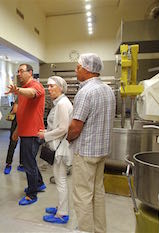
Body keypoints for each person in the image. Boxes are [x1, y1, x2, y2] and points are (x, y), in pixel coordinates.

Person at [67, 53, 115, 232]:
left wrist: (68, 138)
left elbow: (75, 126)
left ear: (87, 70)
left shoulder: (85, 92)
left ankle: (86, 230)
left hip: (86, 153)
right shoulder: (108, 90)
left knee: (83, 195)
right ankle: (100, 230)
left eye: (78, 67)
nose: (76, 70)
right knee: (98, 193)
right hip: (101, 151)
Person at [6, 64, 45, 206]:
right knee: (30, 161)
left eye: (21, 71)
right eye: (18, 72)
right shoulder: (22, 92)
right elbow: (23, 113)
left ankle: (31, 195)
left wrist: (18, 90)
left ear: (30, 72)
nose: (19, 74)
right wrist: (17, 131)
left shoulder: (35, 85)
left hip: (32, 133)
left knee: (28, 163)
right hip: (25, 131)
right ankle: (39, 184)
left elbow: (32, 93)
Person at [37, 76, 73, 224]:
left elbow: (63, 128)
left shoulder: (62, 104)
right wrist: (47, 130)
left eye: (52, 86)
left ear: (61, 87)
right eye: (48, 86)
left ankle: (62, 214)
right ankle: (61, 207)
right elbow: (58, 125)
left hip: (61, 148)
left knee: (61, 180)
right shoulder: (59, 103)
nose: (49, 89)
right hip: (59, 145)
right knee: (60, 180)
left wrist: (45, 135)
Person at [3, 99, 24, 175]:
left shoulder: (22, 97)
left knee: (17, 144)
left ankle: (11, 164)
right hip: (18, 122)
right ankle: (12, 164)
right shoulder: (20, 98)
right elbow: (15, 110)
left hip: (23, 122)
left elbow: (15, 110)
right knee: (15, 143)